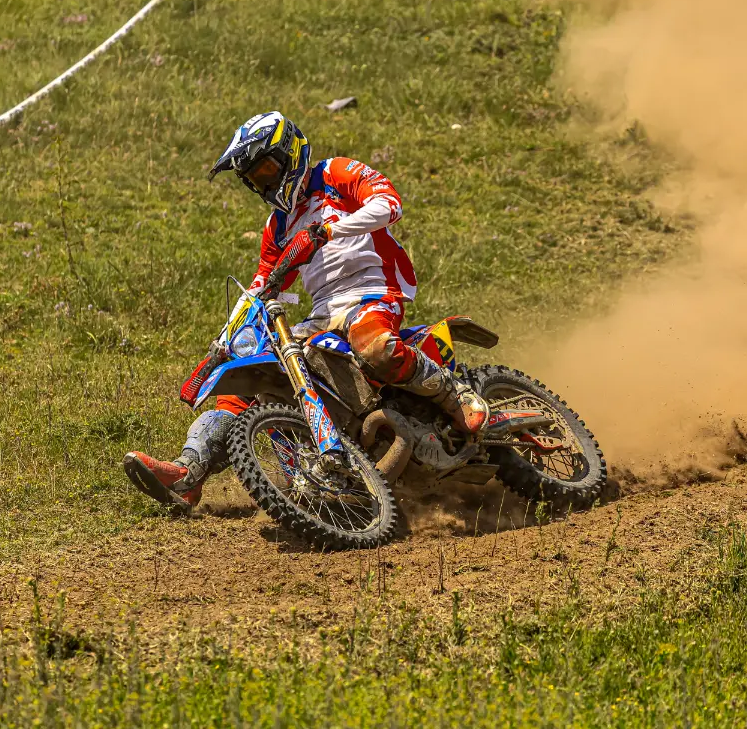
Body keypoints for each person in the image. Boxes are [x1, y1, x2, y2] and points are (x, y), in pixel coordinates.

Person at [123, 111, 489, 512]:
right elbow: (261, 285)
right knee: (255, 380)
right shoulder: (278, 226)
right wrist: (222, 343)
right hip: (323, 312)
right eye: (255, 178)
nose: (266, 183)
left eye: (267, 169)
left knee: (375, 348)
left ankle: (456, 394)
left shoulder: (335, 174)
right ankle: (188, 473)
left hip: (372, 291)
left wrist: (330, 230)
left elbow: (389, 204)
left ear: (290, 152)